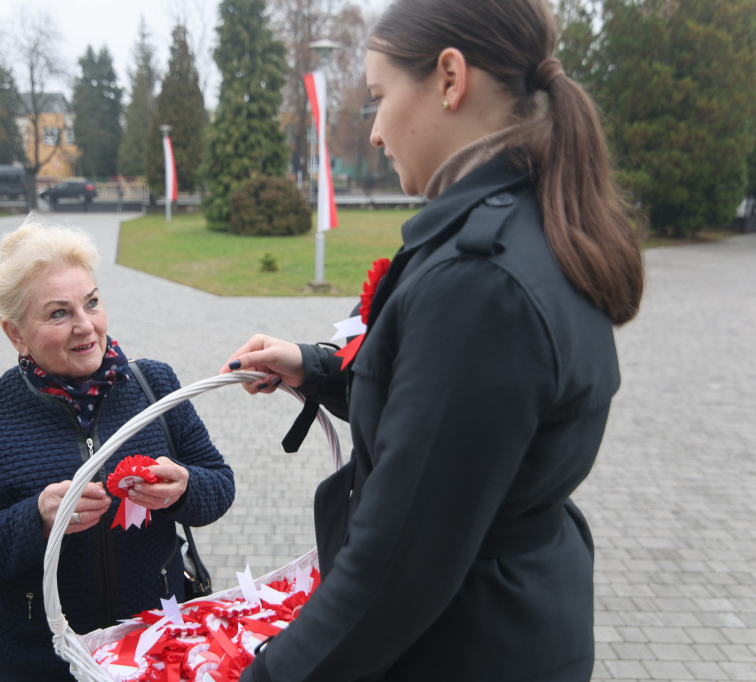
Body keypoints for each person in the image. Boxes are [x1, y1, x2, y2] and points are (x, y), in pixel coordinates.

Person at [223, 1, 645, 680]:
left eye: (381, 98)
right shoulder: (529, 223)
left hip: (462, 642)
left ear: (450, 79)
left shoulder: (480, 282)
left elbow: (396, 567)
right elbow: (448, 408)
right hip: (513, 619)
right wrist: (315, 368)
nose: (378, 131)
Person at [0, 214, 235, 680]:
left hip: (153, 643)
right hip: (42, 659)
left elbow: (220, 485)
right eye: (58, 313)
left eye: (91, 302)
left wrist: (185, 488)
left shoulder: (155, 384)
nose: (86, 326)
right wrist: (36, 520)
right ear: (16, 334)